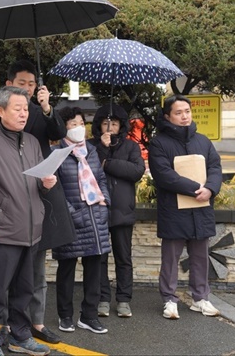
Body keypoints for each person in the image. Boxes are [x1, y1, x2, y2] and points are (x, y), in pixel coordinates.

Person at [0, 60, 74, 344]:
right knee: (5, 276)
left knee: (35, 271)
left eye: (32, 85)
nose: (28, 90)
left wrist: (47, 108)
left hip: (38, 198)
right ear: (9, 83)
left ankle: (35, 322)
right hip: (7, 208)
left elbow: (58, 134)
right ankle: (4, 329)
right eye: (22, 84)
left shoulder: (39, 113)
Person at [0, 86, 56, 356]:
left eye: (26, 109)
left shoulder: (30, 141)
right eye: (17, 109)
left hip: (31, 230)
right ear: (1, 111)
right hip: (1, 230)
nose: (23, 114)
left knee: (24, 291)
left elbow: (37, 185)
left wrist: (46, 184)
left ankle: (20, 335)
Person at [148, 94, 222, 320]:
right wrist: (196, 188)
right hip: (174, 209)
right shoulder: (158, 143)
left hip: (201, 208)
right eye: (178, 113)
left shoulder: (203, 141)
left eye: (187, 111)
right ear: (168, 116)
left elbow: (215, 167)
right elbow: (164, 175)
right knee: (171, 257)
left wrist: (210, 188)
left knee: (200, 256)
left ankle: (200, 298)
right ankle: (169, 299)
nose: (184, 116)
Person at [53, 106, 111, 335]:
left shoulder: (92, 151)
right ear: (63, 128)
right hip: (71, 219)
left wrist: (105, 201)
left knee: (94, 270)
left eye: (80, 123)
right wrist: (71, 212)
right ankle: (65, 316)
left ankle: (89, 316)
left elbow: (101, 178)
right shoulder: (56, 153)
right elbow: (54, 190)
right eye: (72, 124)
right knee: (66, 269)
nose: (78, 128)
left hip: (96, 217)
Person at [89, 104, 145, 318]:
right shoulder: (91, 145)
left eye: (114, 123)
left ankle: (124, 299)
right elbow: (89, 170)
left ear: (121, 125)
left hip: (123, 210)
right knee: (99, 258)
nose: (109, 127)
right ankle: (103, 298)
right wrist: (102, 150)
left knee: (123, 257)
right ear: (98, 125)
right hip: (98, 210)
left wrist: (108, 162)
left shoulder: (131, 147)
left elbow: (137, 171)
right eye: (105, 123)